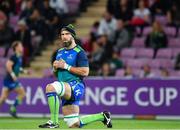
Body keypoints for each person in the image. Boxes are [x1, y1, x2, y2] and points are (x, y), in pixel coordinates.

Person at [39, 24, 112, 128]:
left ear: (72, 36)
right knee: (74, 124)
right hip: (65, 88)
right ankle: (103, 116)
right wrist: (55, 69)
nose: (64, 36)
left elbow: (85, 72)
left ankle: (54, 122)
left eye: (67, 34)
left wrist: (66, 66)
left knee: (50, 88)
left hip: (75, 86)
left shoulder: (79, 52)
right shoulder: (59, 52)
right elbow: (58, 73)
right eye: (62, 34)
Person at [0, 41, 27, 118]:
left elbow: (18, 68)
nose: (22, 47)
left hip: (10, 80)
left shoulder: (19, 57)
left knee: (3, 98)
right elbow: (8, 65)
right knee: (22, 94)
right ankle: (12, 109)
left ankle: (13, 109)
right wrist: (13, 75)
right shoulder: (13, 57)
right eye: (21, 46)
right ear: (16, 48)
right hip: (10, 79)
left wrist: (25, 71)